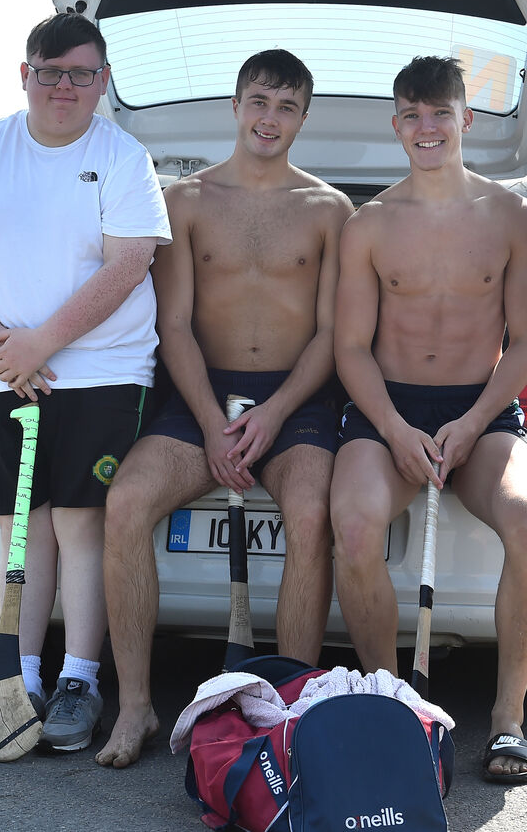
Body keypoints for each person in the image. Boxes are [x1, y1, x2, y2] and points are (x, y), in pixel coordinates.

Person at [95, 50, 354, 769]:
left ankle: (291, 708)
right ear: (235, 105)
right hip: (200, 394)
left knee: (309, 512)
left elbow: (333, 334)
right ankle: (139, 706)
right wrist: (212, 423)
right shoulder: (183, 201)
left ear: (304, 117)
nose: (270, 119)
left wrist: (270, 414)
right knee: (126, 502)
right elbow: (172, 325)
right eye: (260, 101)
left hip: (294, 399)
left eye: (287, 106)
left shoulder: (331, 210)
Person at [0, 12, 171, 753]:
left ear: (102, 83)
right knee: (18, 525)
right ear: (24, 73)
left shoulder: (125, 157)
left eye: (82, 73)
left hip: (99, 373)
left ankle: (81, 679)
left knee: (79, 523)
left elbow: (131, 264)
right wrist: (2, 344)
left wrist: (42, 343)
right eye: (50, 70)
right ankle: (21, 674)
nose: (65, 86)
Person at [329, 56, 527, 785]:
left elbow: (526, 341)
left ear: (467, 118)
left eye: (440, 113)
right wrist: (394, 427)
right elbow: (351, 348)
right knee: (356, 526)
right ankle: (394, 704)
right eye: (413, 115)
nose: (427, 128)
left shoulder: (514, 216)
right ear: (397, 124)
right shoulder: (369, 225)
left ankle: (509, 723)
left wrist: (473, 421)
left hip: (481, 413)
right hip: (387, 410)